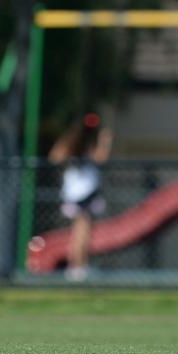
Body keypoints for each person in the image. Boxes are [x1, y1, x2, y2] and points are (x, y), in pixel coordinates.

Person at [48, 113, 112, 281]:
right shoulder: (76, 145)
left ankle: (77, 266)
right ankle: (77, 267)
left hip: (79, 194)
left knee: (80, 234)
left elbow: (54, 156)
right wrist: (105, 141)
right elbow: (101, 158)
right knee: (81, 234)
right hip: (83, 195)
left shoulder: (81, 145)